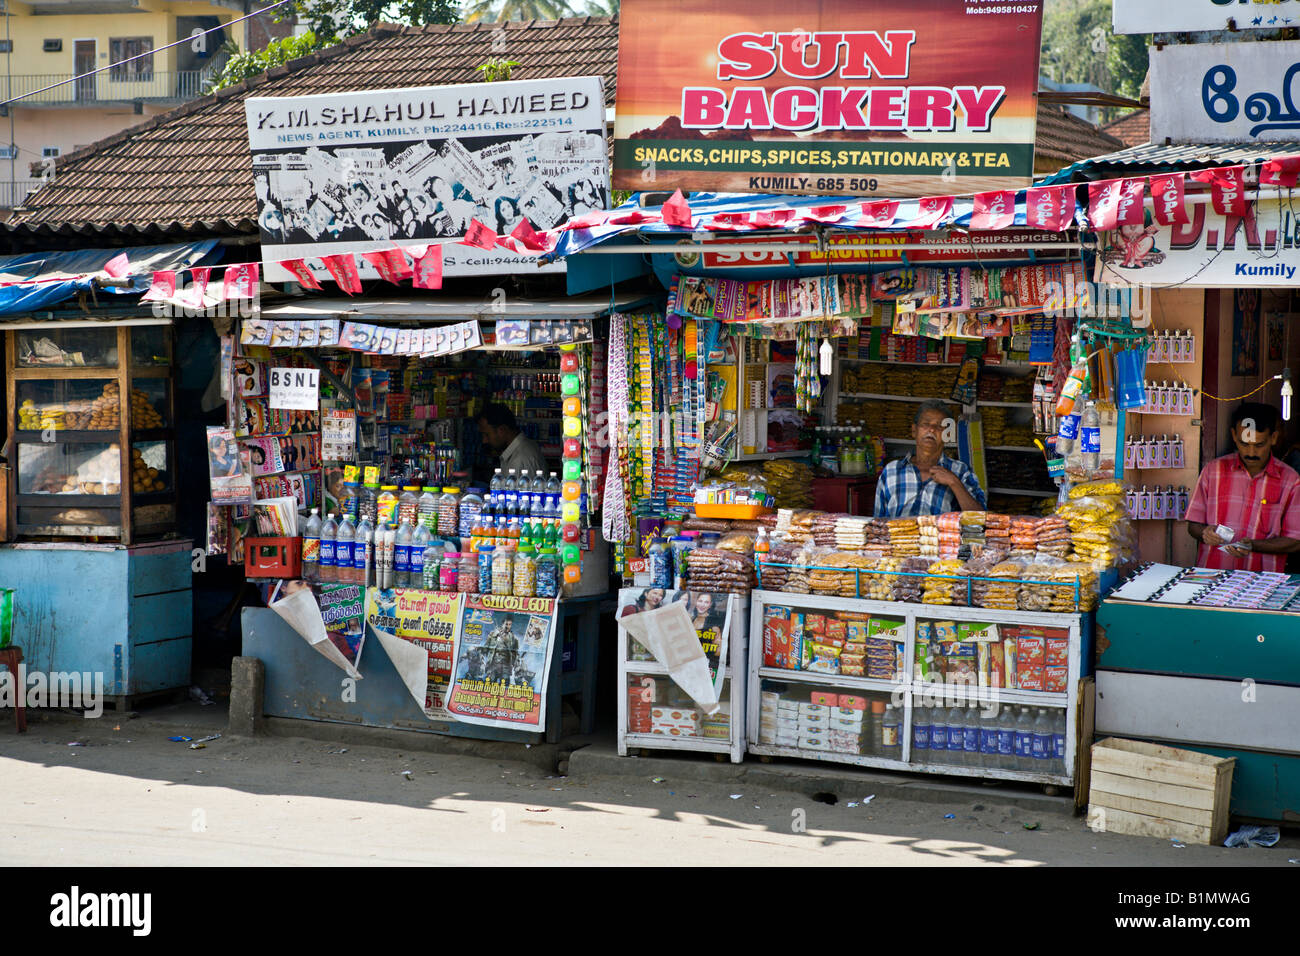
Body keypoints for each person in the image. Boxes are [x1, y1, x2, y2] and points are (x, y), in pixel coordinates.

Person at [1185, 401, 1300, 572]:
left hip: (1263, 583)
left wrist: (1252, 545)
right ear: (1233, 435)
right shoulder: (1213, 471)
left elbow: (1295, 541)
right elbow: (1193, 525)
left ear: (1273, 438)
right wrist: (1205, 533)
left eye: (1259, 445)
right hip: (1212, 577)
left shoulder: (1290, 480)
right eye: (1244, 444)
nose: (1251, 453)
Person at [874, 400, 987, 517]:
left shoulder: (961, 471)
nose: (932, 430)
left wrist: (954, 483)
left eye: (939, 426)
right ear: (914, 431)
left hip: (940, 536)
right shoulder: (891, 470)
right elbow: (878, 522)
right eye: (926, 424)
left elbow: (980, 519)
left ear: (947, 435)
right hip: (897, 535)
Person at [477, 402, 546, 477]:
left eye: (486, 435)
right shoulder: (520, 448)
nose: (484, 441)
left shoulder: (519, 459)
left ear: (501, 430)